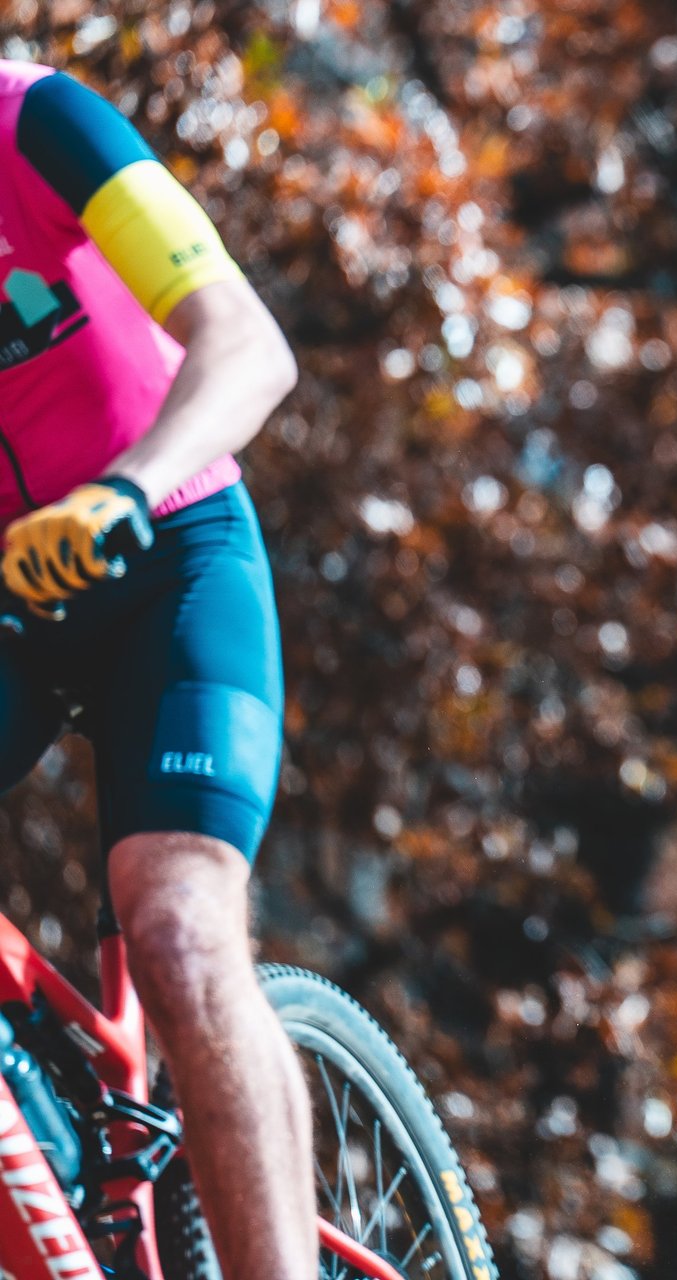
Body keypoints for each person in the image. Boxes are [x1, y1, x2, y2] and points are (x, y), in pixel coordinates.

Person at [0, 61, 314, 1277]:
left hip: (167, 549)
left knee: (180, 933)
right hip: (12, 600)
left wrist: (122, 492)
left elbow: (247, 344)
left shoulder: (39, 123)